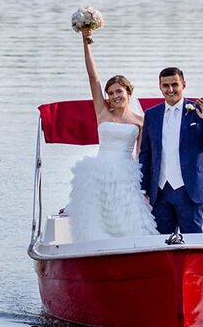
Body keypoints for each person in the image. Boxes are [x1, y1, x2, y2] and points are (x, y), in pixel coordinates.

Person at [62, 30, 158, 239]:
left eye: (119, 91)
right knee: (94, 220)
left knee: (129, 219)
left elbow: (142, 154)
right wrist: (86, 40)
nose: (115, 96)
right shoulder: (102, 112)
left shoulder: (141, 122)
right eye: (111, 92)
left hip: (125, 173)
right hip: (98, 171)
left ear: (128, 93)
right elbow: (93, 76)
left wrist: (145, 188)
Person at [138, 67, 203, 242]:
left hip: (190, 190)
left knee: (194, 239)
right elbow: (146, 153)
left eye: (175, 84)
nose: (170, 89)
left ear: (184, 85)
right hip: (159, 191)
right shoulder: (152, 114)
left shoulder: (198, 110)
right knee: (160, 241)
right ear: (160, 87)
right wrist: (143, 187)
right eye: (165, 85)